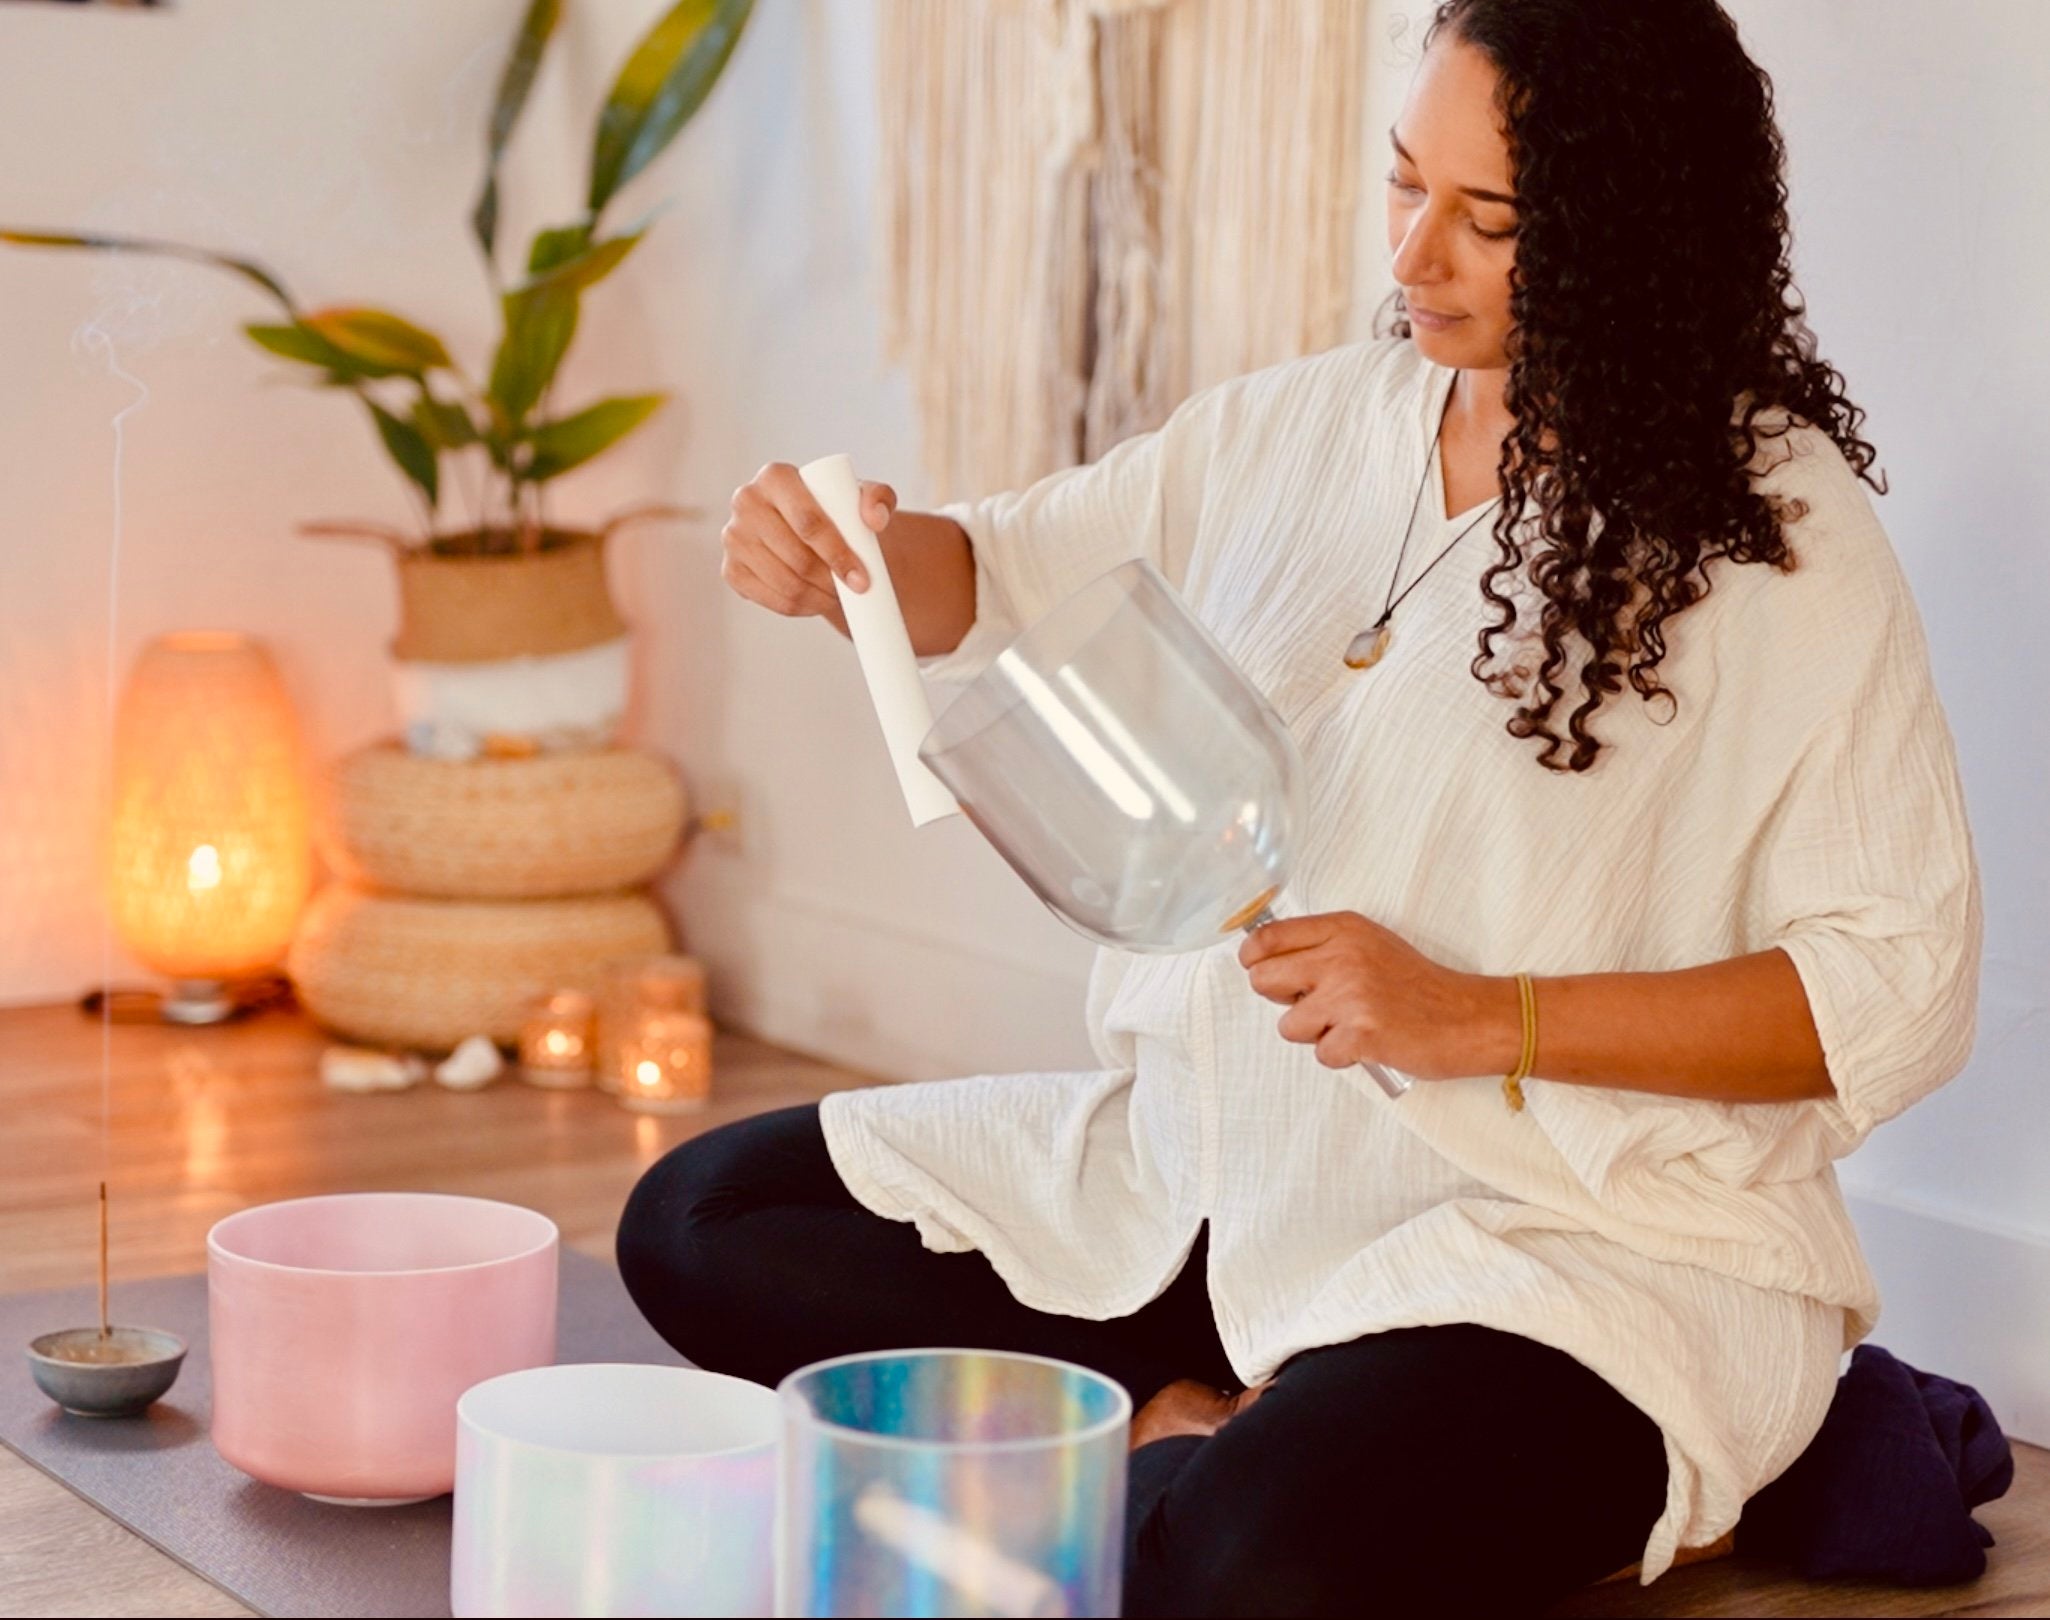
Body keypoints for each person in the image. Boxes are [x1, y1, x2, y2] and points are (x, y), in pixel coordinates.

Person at [618, 1, 1983, 1612]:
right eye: (1403, 184)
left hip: (1559, 1255)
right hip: (1208, 1187)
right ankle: (1156, 1427)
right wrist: (835, 553)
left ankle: (1340, 1461)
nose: (1414, 255)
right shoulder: (1307, 424)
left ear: (1638, 230)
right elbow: (992, 570)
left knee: (1253, 1563)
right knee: (701, 1213)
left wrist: (1485, 1017)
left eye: (1487, 223)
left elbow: (1894, 995)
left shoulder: (1774, 539)